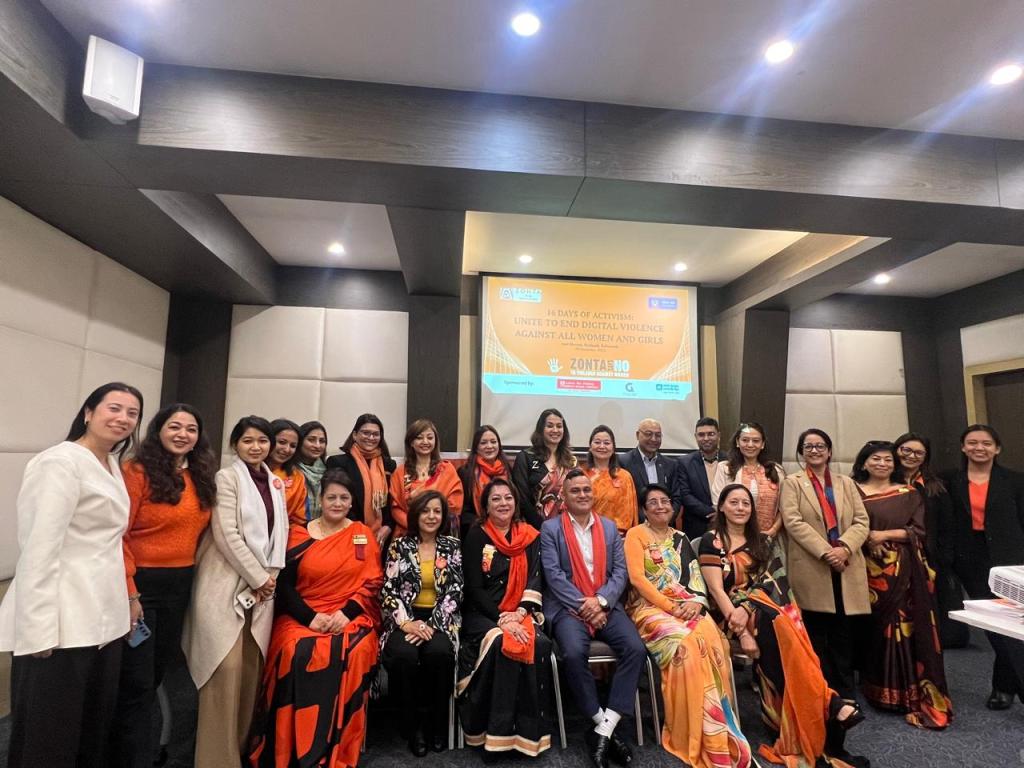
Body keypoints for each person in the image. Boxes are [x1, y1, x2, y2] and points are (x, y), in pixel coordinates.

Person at [0, 382, 143, 768]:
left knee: (89, 732)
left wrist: (127, 601)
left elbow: (109, 544)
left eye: (132, 413)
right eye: (114, 408)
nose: (123, 418)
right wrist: (37, 630)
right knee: (49, 737)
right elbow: (39, 549)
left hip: (103, 620)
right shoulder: (59, 462)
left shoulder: (110, 464)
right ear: (88, 413)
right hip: (61, 623)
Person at [701, 484, 867, 768]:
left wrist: (747, 608)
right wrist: (742, 632)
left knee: (784, 629)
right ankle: (827, 704)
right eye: (734, 502)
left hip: (762, 610)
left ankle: (807, 715)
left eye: (746, 503)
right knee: (778, 628)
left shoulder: (762, 542)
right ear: (722, 507)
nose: (740, 508)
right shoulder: (711, 541)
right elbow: (716, 590)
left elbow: (774, 582)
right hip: (726, 614)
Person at [247, 470, 383, 767]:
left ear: (352, 502)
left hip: (349, 614)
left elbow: (373, 582)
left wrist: (344, 614)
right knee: (294, 651)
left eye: (344, 498)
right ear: (320, 500)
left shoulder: (361, 534)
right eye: (331, 497)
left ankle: (336, 745)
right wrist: (310, 618)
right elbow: (284, 586)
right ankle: (288, 746)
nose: (337, 503)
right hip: (303, 615)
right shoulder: (297, 534)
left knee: (354, 650)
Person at [114, 403, 217, 768]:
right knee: (137, 680)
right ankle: (130, 756)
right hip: (140, 586)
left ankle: (139, 749)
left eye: (191, 429)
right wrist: (130, 592)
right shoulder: (136, 471)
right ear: (158, 430)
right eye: (174, 426)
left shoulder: (200, 475)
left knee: (158, 672)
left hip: (180, 585)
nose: (182, 434)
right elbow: (118, 535)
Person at [183, 415, 289, 768]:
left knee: (249, 670)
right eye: (248, 441)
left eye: (262, 440)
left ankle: (239, 752)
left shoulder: (275, 482)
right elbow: (227, 533)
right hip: (225, 583)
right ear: (235, 445)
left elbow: (280, 535)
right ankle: (215, 760)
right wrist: (258, 577)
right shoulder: (226, 478)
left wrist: (269, 577)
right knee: (223, 669)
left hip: (262, 589)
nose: (256, 447)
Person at [625, 484, 751, 768]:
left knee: (712, 640)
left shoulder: (680, 537)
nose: (660, 506)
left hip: (687, 605)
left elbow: (696, 578)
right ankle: (689, 728)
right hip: (650, 609)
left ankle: (717, 729)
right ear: (644, 509)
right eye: (653, 502)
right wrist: (672, 608)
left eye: (665, 501)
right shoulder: (636, 535)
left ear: (673, 507)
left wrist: (697, 603)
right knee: (686, 647)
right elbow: (638, 580)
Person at [539, 469, 646, 768]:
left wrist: (600, 602)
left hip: (606, 605)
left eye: (587, 489)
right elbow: (553, 576)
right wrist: (585, 605)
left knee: (635, 649)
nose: (583, 495)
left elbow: (620, 573)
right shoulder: (550, 529)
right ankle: (603, 724)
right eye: (575, 491)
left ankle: (603, 730)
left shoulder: (609, 528)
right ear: (564, 496)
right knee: (573, 653)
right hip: (568, 607)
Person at [851, 441, 951, 729]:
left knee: (902, 627)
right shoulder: (853, 491)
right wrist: (867, 539)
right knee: (873, 629)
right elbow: (846, 525)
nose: (882, 464)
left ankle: (907, 692)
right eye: (875, 459)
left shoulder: (908, 493)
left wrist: (882, 536)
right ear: (864, 462)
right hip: (865, 569)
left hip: (903, 569)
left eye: (887, 460)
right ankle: (876, 687)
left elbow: (919, 531)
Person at [458, 477, 552, 757]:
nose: (503, 503)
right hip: (484, 614)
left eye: (508, 497)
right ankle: (493, 734)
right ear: (485, 506)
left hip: (522, 611)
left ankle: (526, 736)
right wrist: (502, 618)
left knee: (540, 643)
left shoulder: (529, 536)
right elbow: (474, 588)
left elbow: (535, 578)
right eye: (496, 499)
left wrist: (520, 612)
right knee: (501, 643)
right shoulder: (477, 536)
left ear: (516, 502)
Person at [779, 429, 870, 711]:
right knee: (816, 633)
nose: (814, 451)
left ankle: (845, 690)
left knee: (843, 633)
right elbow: (793, 522)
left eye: (820, 446)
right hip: (813, 564)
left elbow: (861, 521)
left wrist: (844, 548)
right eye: (808, 446)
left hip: (845, 564)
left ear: (829, 451)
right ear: (801, 452)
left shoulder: (846, 483)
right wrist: (827, 552)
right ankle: (819, 692)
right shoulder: (792, 483)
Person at [942, 424, 1024, 710]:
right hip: (969, 560)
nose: (979, 448)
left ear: (997, 448)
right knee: (993, 624)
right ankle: (1008, 686)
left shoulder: (1015, 481)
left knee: (1011, 623)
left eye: (986, 443)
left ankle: (1004, 686)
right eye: (972, 442)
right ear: (963, 447)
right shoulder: (948, 481)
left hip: (1009, 558)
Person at [381, 491, 463, 756]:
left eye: (437, 511)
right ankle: (412, 725)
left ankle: (436, 723)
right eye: (426, 511)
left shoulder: (452, 545)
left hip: (440, 618)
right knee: (403, 655)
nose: (431, 516)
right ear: (416, 514)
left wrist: (431, 625)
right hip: (404, 617)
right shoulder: (399, 545)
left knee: (439, 653)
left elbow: (455, 590)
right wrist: (406, 623)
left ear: (443, 515)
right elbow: (389, 589)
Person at [893, 432, 966, 648]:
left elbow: (947, 524)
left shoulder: (935, 485)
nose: (911, 456)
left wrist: (944, 557)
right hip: (893, 554)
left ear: (926, 457)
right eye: (906, 450)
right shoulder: (884, 480)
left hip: (929, 555)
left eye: (919, 453)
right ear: (896, 451)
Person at [326, 413, 397, 546]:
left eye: (375, 434)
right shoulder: (337, 463)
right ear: (354, 435)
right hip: (348, 533)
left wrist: (389, 526)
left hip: (382, 537)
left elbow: (393, 500)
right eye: (366, 433)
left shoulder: (389, 465)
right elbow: (337, 500)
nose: (371, 438)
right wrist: (361, 531)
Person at [390, 418, 464, 538]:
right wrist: (416, 527)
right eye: (419, 438)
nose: (425, 441)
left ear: (435, 441)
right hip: (408, 533)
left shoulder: (447, 469)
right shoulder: (400, 472)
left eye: (430, 438)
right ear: (411, 442)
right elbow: (396, 508)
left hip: (440, 534)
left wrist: (431, 526)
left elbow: (454, 506)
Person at [711, 422, 785, 537]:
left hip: (769, 537)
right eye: (745, 440)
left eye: (756, 441)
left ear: (762, 444)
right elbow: (718, 503)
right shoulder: (725, 468)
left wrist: (773, 531)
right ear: (737, 442)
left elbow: (785, 507)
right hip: (734, 536)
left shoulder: (776, 470)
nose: (750, 445)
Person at [513, 408, 577, 528]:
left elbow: (575, 495)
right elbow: (522, 498)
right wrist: (542, 527)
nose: (555, 430)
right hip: (533, 527)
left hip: (566, 527)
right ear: (541, 429)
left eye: (559, 426)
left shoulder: (570, 461)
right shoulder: (526, 457)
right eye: (550, 426)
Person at [675, 416, 727, 540]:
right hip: (696, 525)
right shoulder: (684, 463)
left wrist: (723, 513)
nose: (706, 438)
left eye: (711, 434)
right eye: (701, 435)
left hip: (728, 522)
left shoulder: (731, 460)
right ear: (696, 437)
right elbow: (685, 495)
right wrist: (711, 513)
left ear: (719, 435)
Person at [457, 424, 513, 537]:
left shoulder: (507, 469)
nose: (489, 446)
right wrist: (483, 527)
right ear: (476, 447)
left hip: (506, 528)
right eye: (483, 443)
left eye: (493, 442)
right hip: (477, 530)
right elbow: (464, 511)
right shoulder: (465, 472)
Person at [620, 418, 680, 517]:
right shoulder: (623, 462)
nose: (653, 439)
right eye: (648, 434)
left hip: (665, 523)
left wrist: (666, 518)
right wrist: (647, 521)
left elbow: (676, 498)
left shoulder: (670, 464)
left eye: (658, 435)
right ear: (637, 435)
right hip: (637, 523)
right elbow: (623, 499)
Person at [585, 424, 638, 535]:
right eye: (597, 442)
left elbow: (629, 514)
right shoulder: (581, 475)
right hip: (586, 534)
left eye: (607, 443)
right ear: (590, 447)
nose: (602, 446)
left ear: (613, 448)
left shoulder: (624, 477)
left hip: (616, 536)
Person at [268, 418, 308, 526]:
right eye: (282, 442)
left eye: (293, 446)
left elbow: (299, 519)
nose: (287, 449)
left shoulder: (298, 477)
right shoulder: (250, 471)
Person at [295, 421, 328, 520]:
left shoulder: (329, 470)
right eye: (311, 440)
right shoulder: (290, 470)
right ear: (300, 442)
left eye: (322, 441)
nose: (317, 445)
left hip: (322, 525)